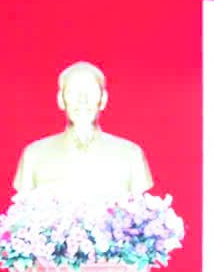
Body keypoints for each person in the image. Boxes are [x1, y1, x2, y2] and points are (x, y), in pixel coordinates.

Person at [13, 61, 153, 198]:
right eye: (73, 92)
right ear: (61, 100)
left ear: (103, 99)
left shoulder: (131, 154)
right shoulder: (34, 155)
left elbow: (139, 208)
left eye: (91, 91)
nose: (82, 100)